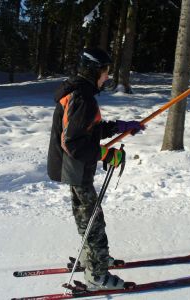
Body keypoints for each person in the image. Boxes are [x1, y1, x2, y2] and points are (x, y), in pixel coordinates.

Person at [47, 48, 145, 290]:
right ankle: (97, 276)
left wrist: (118, 127)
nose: (107, 77)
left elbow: (86, 130)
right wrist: (106, 153)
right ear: (93, 71)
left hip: (71, 167)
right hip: (76, 166)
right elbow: (74, 143)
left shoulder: (78, 92)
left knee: (85, 217)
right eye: (105, 71)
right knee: (95, 223)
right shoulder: (82, 98)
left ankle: (90, 257)